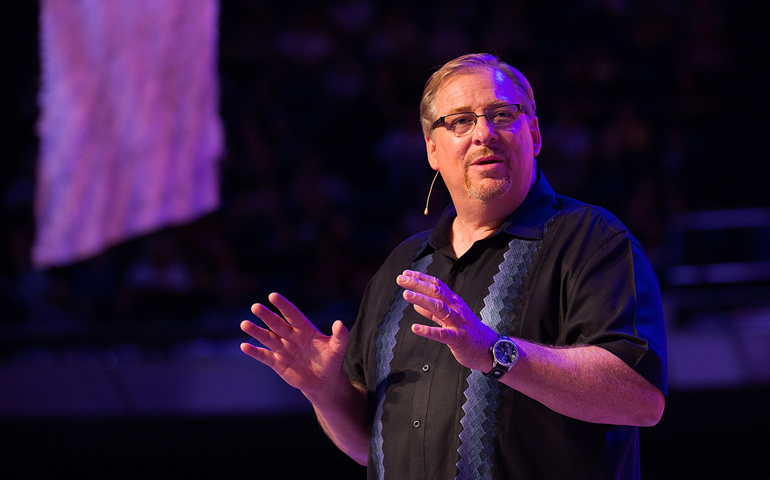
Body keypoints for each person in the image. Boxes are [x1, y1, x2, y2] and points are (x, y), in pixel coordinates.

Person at [240, 53, 667, 479]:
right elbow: (368, 448)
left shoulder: (592, 239)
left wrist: (494, 352)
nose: (484, 133)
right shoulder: (402, 267)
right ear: (431, 148)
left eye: (502, 114)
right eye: (460, 121)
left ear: (533, 133)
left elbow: (641, 399)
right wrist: (324, 391)